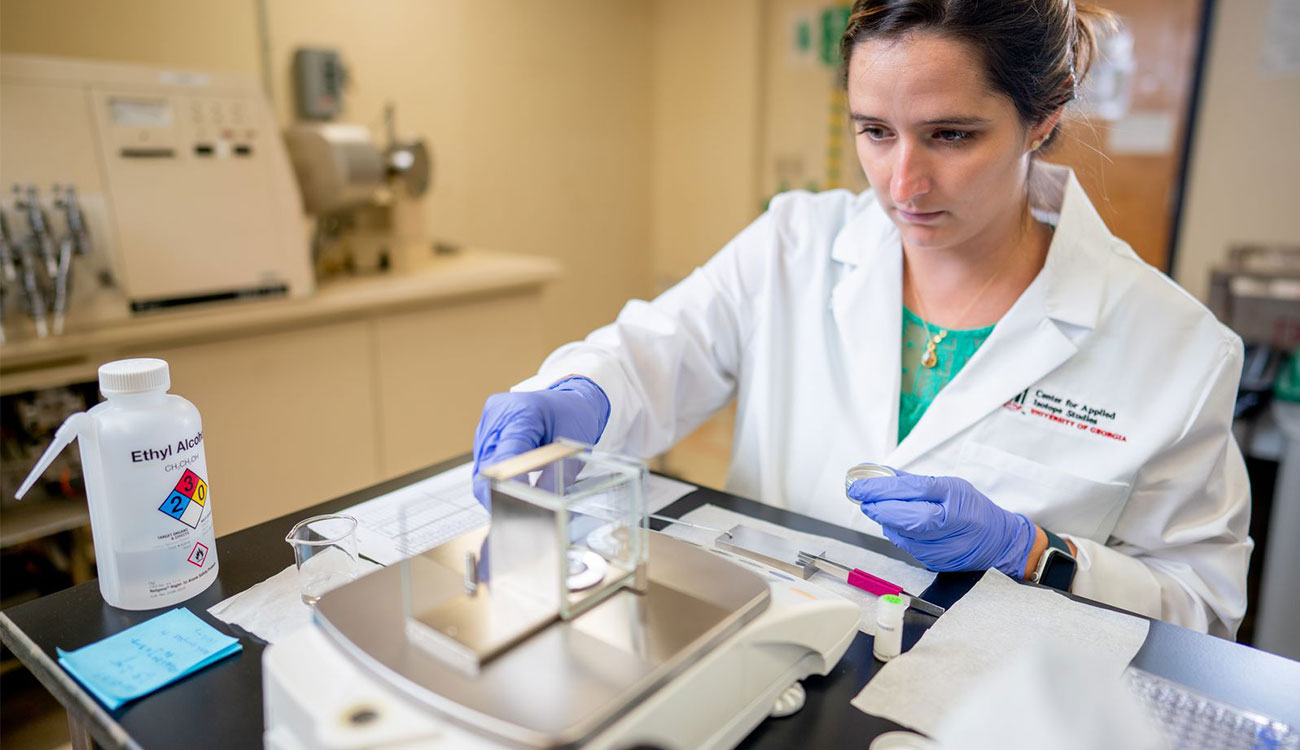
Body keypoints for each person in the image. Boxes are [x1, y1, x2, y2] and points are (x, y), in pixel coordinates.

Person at [471, 0, 1251, 638]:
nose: (903, 182)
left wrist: (1036, 552)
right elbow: (652, 354)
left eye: (951, 135)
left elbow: (1203, 610)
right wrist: (577, 397)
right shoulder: (796, 242)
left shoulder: (1177, 348)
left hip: (987, 709)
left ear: (1042, 118)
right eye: (875, 131)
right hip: (762, 656)